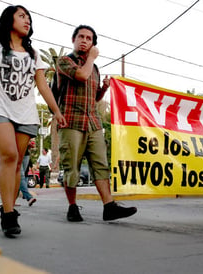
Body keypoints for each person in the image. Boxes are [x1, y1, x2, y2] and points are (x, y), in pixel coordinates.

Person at [0, 5, 66, 237]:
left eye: (29, 18)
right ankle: (10, 214)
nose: (27, 21)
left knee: (17, 161)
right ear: (8, 19)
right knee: (9, 155)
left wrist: (56, 111)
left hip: (25, 113)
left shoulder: (33, 55)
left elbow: (42, 86)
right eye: (22, 16)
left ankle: (7, 210)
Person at [56, 25, 137, 222]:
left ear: (93, 43)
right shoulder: (64, 61)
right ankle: (72, 207)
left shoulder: (94, 69)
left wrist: (104, 89)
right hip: (71, 121)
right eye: (81, 37)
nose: (84, 40)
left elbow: (94, 98)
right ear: (73, 40)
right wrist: (91, 58)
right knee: (71, 167)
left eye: (89, 38)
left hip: (93, 123)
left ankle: (109, 206)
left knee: (101, 165)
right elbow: (81, 75)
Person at [18, 138, 37, 206]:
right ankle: (29, 197)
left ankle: (12, 201)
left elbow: (32, 145)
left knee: (19, 178)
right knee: (21, 176)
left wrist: (29, 144)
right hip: (17, 154)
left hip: (26, 154)